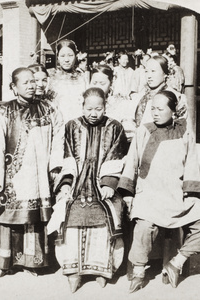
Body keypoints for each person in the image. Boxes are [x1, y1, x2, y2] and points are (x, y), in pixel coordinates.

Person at [0, 67, 64, 277]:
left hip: (39, 174)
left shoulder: (49, 109)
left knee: (35, 217)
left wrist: (55, 165)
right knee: (10, 216)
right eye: (26, 82)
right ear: (14, 87)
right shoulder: (6, 111)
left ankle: (34, 263)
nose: (32, 86)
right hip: (15, 175)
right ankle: (7, 262)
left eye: (34, 81)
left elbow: (59, 138)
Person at [117, 90, 200, 293]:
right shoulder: (144, 130)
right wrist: (128, 193)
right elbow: (132, 161)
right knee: (144, 227)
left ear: (173, 110)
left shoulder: (185, 131)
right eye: (153, 108)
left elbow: (191, 164)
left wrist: (190, 194)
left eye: (160, 109)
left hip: (176, 194)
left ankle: (177, 262)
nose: (155, 113)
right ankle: (139, 271)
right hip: (149, 193)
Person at [50, 87, 129, 293]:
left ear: (105, 106)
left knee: (106, 219)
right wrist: (66, 184)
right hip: (77, 183)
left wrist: (109, 183)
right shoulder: (71, 126)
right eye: (89, 108)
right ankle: (73, 271)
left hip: (102, 185)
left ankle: (102, 270)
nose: (93, 113)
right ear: (82, 106)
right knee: (70, 216)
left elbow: (117, 158)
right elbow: (66, 157)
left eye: (98, 108)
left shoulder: (115, 127)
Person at [132, 55, 187, 129]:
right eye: (146, 71)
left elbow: (181, 127)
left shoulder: (177, 97)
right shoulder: (141, 96)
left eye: (153, 71)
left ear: (165, 74)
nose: (149, 76)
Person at [89, 64, 136, 142]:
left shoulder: (121, 104)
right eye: (94, 83)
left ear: (111, 83)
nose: (97, 87)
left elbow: (129, 136)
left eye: (102, 83)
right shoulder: (84, 102)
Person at [48, 39, 87, 123]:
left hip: (79, 121)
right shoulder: (51, 78)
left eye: (70, 55)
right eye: (62, 56)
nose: (66, 60)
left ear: (75, 56)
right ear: (57, 57)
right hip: (58, 123)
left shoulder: (82, 78)